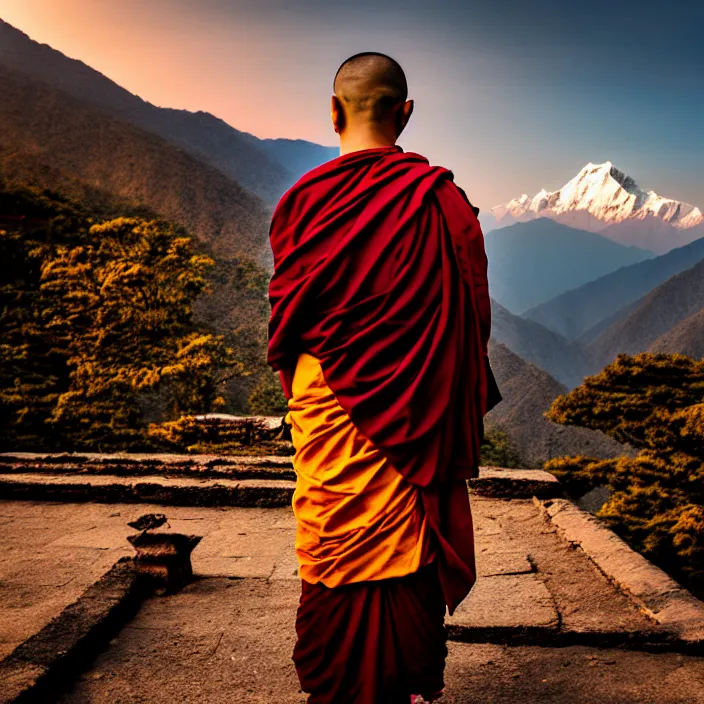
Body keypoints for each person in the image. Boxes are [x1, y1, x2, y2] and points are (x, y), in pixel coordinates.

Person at [267, 51, 500, 704]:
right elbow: (467, 332)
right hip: (412, 436)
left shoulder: (302, 204)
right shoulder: (444, 205)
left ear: (333, 112)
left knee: (331, 623)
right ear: (406, 115)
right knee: (406, 633)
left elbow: (290, 328)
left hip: (330, 436)